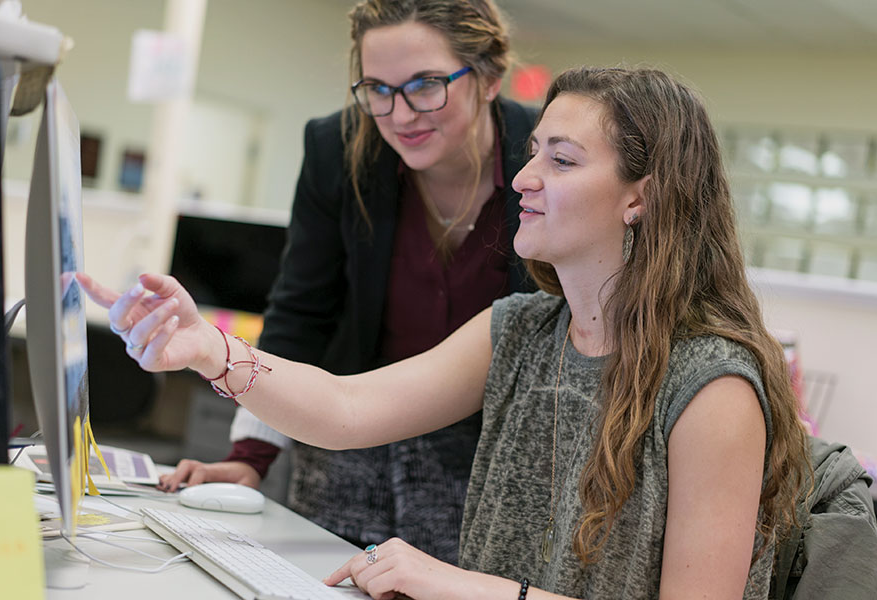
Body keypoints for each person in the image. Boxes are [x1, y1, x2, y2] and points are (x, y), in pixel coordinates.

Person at [80, 65, 812, 599]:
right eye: (534, 154)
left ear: (640, 199)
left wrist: (462, 587)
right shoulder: (522, 329)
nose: (524, 179)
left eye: (561, 160)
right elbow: (346, 411)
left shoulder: (711, 387)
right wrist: (212, 350)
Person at [157, 0, 537, 565]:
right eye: (377, 89)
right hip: (351, 440)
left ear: (488, 78)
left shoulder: (544, 157)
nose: (400, 114)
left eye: (426, 85)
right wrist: (251, 454)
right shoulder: (339, 150)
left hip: (498, 460)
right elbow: (300, 311)